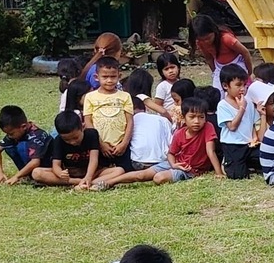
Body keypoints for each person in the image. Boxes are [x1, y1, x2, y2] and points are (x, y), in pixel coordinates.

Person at [98, 69, 175, 183]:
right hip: (160, 162)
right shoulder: (158, 117)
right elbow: (171, 142)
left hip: (136, 163)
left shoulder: (126, 118)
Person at [81, 53, 135, 183]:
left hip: (120, 144)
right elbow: (88, 122)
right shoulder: (90, 97)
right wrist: (101, 144)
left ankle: (101, 182)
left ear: (119, 76)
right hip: (99, 145)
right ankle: (95, 180)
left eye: (113, 77)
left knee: (126, 171)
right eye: (105, 77)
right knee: (97, 168)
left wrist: (124, 143)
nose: (109, 80)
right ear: (96, 77)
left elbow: (130, 121)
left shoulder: (125, 96)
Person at [32, 110, 101, 189]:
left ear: (83, 127)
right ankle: (80, 182)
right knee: (36, 173)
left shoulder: (91, 134)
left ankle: (87, 181)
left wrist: (88, 176)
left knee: (117, 171)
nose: (72, 142)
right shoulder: (58, 140)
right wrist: (60, 173)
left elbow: (93, 160)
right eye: (67, 140)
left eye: (76, 138)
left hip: (91, 172)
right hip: (70, 173)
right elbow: (56, 165)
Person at [158, 96, 222, 181]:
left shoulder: (208, 127)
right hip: (177, 163)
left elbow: (211, 151)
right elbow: (171, 153)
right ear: (184, 118)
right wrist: (173, 165)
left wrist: (219, 173)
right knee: (141, 174)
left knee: (158, 178)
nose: (197, 121)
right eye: (192, 117)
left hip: (190, 170)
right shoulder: (179, 133)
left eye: (201, 117)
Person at [215, 63, 260, 178]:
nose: (242, 89)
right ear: (226, 86)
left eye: (245, 85)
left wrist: (254, 137)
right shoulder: (223, 105)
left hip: (249, 144)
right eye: (238, 85)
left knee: (266, 161)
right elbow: (232, 127)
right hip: (232, 144)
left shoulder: (248, 102)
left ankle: (247, 163)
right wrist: (241, 108)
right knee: (238, 175)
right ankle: (227, 163)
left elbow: (253, 123)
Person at [189, 13, 250, 88]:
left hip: (237, 64)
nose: (206, 42)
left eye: (208, 38)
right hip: (219, 67)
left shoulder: (226, 39)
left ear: (214, 31)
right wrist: (215, 73)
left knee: (237, 88)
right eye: (202, 39)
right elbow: (209, 58)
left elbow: (245, 52)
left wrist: (249, 71)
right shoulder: (200, 43)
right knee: (218, 91)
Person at [0, 105, 48, 185]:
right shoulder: (16, 133)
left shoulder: (37, 135)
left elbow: (35, 161)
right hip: (32, 165)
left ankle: (28, 175)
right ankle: (26, 174)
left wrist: (16, 176)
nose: (9, 136)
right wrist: (0, 173)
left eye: (11, 133)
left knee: (22, 146)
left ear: (24, 126)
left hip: (44, 167)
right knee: (9, 148)